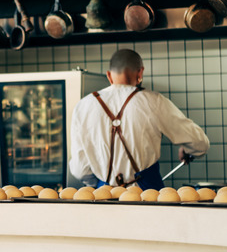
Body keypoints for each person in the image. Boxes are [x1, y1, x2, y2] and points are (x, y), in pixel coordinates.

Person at [69, 49, 209, 189]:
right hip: (147, 194)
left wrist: (103, 185)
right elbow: (200, 143)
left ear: (109, 75)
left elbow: (79, 169)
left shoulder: (83, 106)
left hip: (104, 195)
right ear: (140, 72)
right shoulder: (154, 101)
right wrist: (188, 149)